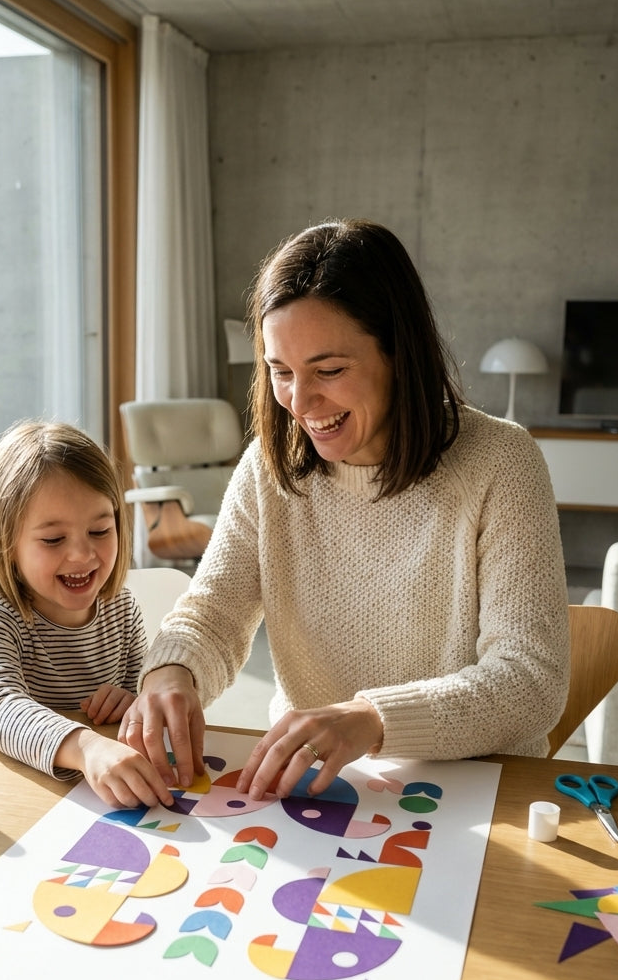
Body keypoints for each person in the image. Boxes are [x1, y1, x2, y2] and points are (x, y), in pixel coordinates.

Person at [119, 219, 571, 799]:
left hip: (475, 793)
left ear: (399, 355)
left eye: (329, 371)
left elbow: (529, 682)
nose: (301, 403)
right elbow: (212, 615)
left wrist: (372, 719)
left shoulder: (501, 462)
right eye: (280, 372)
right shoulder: (269, 464)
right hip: (323, 788)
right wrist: (170, 672)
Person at [0, 419, 176, 809]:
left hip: (99, 804)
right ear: (5, 542)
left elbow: (140, 695)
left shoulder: (121, 609)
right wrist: (88, 746)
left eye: (100, 531)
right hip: (15, 799)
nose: (82, 555)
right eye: (53, 539)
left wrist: (131, 701)